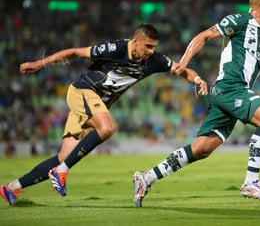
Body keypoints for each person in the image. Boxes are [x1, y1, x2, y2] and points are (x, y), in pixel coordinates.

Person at [132, 0, 260, 207]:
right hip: (230, 87)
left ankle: (146, 178)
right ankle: (251, 182)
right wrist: (183, 63)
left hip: (232, 93)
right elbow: (204, 36)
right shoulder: (241, 21)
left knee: (202, 149)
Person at [0, 23, 208, 206]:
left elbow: (181, 70)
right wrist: (38, 64)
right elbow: (74, 52)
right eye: (148, 46)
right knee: (107, 128)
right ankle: (62, 171)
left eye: (154, 47)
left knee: (64, 156)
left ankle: (12, 187)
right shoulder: (115, 49)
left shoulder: (154, 60)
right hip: (83, 91)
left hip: (94, 106)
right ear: (136, 42)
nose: (152, 51)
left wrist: (197, 79)